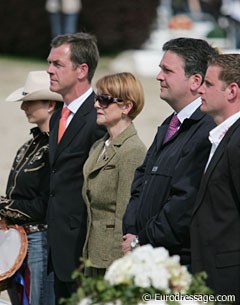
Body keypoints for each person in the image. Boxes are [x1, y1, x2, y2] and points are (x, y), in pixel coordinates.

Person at [122, 37, 219, 266]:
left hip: (177, 262)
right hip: (147, 254)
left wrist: (142, 240)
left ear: (195, 81)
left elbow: (184, 202)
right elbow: (140, 183)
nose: (158, 76)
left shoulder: (206, 129)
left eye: (167, 70)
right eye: (159, 69)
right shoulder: (170, 123)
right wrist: (131, 231)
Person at [46, 32, 106, 303]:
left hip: (82, 249)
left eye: (58, 64)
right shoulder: (59, 114)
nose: (49, 70)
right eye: (50, 63)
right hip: (54, 246)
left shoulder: (98, 118)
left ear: (82, 70)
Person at [0, 70, 63, 305]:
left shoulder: (57, 147)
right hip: (18, 240)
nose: (23, 107)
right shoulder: (29, 145)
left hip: (39, 240)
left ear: (49, 104)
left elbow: (46, 203)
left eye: (29, 101)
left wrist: (3, 206)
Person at [82, 72, 147, 276]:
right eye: (96, 98)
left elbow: (125, 216)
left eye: (104, 100)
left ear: (126, 107)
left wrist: (119, 266)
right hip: (92, 255)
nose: (96, 105)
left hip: (112, 261)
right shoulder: (98, 146)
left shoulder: (132, 150)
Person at [191, 54, 240, 303]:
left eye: (208, 84)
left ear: (232, 90)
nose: (200, 89)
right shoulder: (220, 137)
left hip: (230, 280)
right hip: (210, 274)